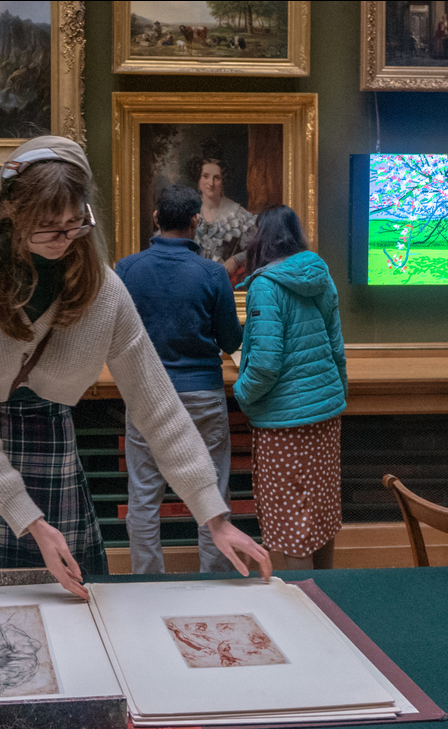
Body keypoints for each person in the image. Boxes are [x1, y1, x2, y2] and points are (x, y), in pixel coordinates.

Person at [0, 135, 270, 598]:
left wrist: (214, 516)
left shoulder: (106, 292)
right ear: (9, 218)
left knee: (70, 614)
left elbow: (156, 405)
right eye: (47, 228)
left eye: (74, 224)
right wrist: (31, 522)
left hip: (50, 445)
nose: (63, 240)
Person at [115, 185, 244, 574]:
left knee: (143, 497)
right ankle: (215, 583)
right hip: (202, 393)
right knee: (212, 493)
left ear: (156, 218)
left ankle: (147, 585)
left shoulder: (126, 269)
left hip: (147, 396)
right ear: (195, 222)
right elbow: (231, 341)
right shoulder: (211, 273)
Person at [234, 205, 347, 570]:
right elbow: (336, 345)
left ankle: (305, 613)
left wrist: (242, 395)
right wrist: (335, 392)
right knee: (321, 516)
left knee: (293, 521)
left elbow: (266, 363)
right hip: (326, 415)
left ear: (261, 239)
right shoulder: (320, 274)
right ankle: (329, 607)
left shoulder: (266, 285)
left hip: (284, 424)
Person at [187, 139, 257, 287]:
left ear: (223, 180)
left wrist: (236, 260)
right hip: (190, 284)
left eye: (216, 178)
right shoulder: (188, 209)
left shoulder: (238, 215)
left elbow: (257, 248)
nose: (211, 183)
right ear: (198, 179)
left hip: (224, 286)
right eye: (205, 176)